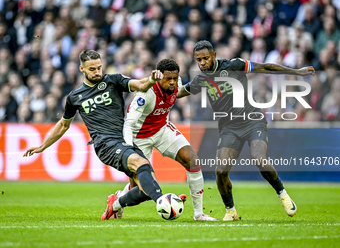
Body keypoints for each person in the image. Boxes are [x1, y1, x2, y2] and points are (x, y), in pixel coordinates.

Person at [23, 49, 174, 220]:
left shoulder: (113, 80)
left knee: (147, 189)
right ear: (82, 69)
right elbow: (63, 125)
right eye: (92, 69)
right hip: (105, 144)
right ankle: (163, 202)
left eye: (99, 68)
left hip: (123, 140)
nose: (97, 72)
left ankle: (116, 202)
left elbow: (139, 85)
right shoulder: (74, 97)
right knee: (141, 163)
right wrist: (43, 146)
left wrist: (152, 79)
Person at [177, 40, 315, 221]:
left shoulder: (234, 65)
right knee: (220, 171)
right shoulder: (200, 80)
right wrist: (165, 85)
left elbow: (265, 68)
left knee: (259, 159)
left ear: (214, 56)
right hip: (229, 128)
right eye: (198, 60)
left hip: (252, 121)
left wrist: (296, 72)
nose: (202, 63)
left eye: (205, 58)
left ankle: (283, 194)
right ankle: (230, 211)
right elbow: (179, 92)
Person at [118, 59, 218, 221]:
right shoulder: (145, 94)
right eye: (168, 79)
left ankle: (199, 213)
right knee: (140, 188)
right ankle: (117, 201)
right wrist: (128, 149)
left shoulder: (176, 83)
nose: (172, 82)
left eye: (175, 78)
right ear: (159, 77)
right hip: (139, 137)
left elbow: (180, 91)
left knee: (192, 161)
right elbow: (128, 124)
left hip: (162, 129)